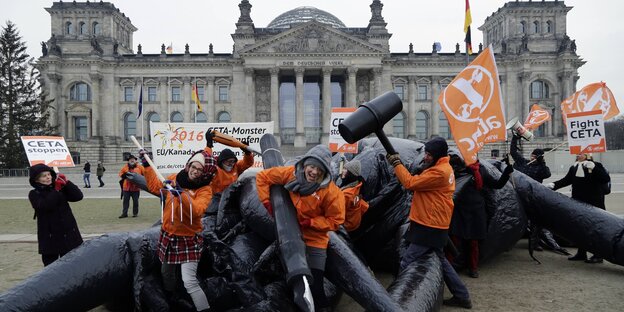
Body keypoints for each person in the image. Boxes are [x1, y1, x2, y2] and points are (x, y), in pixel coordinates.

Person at [386, 137, 472, 309]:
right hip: (435, 223)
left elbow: (410, 183)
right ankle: (462, 295)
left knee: (407, 261)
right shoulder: (442, 167)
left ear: (437, 155)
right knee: (441, 260)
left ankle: (402, 299)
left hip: (429, 225)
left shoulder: (439, 172)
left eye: (428, 154)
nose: (425, 157)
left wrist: (396, 164)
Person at [256, 145, 345, 311]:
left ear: (325, 172)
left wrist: (311, 223)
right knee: (293, 281)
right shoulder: (290, 174)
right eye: (312, 167)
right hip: (290, 234)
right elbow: (263, 177)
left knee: (315, 286)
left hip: (315, 240)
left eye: (320, 169)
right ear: (305, 165)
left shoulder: (331, 192)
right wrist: (267, 202)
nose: (314, 172)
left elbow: (336, 220)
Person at [136, 149, 217, 312]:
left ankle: (204, 309)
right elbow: (153, 186)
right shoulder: (175, 178)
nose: (195, 171)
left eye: (200, 170)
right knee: (166, 273)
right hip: (169, 235)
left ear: (205, 173)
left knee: (189, 281)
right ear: (188, 166)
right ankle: (173, 298)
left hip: (189, 238)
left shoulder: (205, 190)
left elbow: (196, 211)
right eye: (193, 167)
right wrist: (147, 165)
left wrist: (182, 195)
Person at [448, 153, 513, 278]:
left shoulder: (480, 170)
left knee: (473, 242)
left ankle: (473, 267)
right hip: (459, 209)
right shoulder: (455, 168)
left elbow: (497, 184)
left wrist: (506, 173)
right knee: (454, 239)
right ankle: (450, 268)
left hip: (476, 210)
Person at [546, 153, 611, 264]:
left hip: (594, 203)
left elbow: (605, 179)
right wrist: (553, 185)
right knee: (580, 228)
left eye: (581, 154)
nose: (578, 155)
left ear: (587, 155)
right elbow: (566, 180)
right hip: (579, 203)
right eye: (577, 153)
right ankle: (581, 253)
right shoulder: (574, 167)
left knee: (595, 230)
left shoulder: (596, 165)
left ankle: (598, 255)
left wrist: (594, 168)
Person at [28, 164, 84, 266]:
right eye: (44, 176)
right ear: (36, 179)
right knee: (51, 267)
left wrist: (67, 183)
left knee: (71, 265)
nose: (48, 177)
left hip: (68, 234)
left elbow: (78, 196)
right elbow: (45, 206)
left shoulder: (59, 187)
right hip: (50, 237)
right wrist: (56, 191)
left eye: (49, 174)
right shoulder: (34, 193)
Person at [510, 134, 551, 251]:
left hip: (533, 196)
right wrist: (515, 138)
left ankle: (534, 243)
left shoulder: (541, 167)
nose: (532, 157)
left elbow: (547, 174)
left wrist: (542, 163)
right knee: (516, 219)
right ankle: (510, 240)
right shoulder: (523, 162)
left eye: (535, 156)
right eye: (532, 155)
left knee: (535, 222)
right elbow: (513, 152)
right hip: (519, 196)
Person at [338, 159, 369, 232]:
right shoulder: (358, 183)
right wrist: (343, 160)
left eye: (345, 169)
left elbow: (335, 212)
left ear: (350, 174)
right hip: (355, 220)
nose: (342, 170)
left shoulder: (347, 194)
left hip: (348, 225)